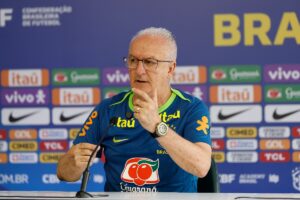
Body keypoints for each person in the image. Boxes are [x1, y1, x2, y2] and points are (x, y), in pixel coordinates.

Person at [57, 27, 212, 192]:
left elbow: (201, 167)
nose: (139, 71)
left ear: (170, 69)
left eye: (150, 62)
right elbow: (65, 174)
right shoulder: (108, 109)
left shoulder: (191, 108)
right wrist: (71, 164)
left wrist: (157, 127)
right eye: (133, 61)